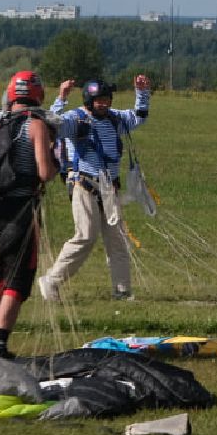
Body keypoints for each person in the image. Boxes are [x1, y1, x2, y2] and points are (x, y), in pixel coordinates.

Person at [36, 74, 152, 303]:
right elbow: (51, 124)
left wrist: (142, 93)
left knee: (118, 240)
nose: (105, 104)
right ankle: (51, 280)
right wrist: (61, 98)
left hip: (110, 189)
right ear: (89, 100)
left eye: (107, 99)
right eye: (100, 100)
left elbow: (139, 117)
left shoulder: (115, 119)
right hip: (84, 184)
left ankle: (122, 291)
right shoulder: (76, 120)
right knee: (86, 235)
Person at [0, 70, 57, 358]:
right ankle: (0, 343)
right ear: (37, 94)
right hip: (20, 210)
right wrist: (57, 159)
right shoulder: (35, 125)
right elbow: (45, 173)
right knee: (18, 278)